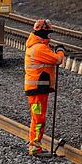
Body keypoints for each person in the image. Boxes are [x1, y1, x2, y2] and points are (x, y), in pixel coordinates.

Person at [24, 19, 66, 155]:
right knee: (38, 119)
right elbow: (57, 60)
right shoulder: (39, 48)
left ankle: (35, 144)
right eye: (48, 33)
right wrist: (60, 51)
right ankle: (35, 146)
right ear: (42, 32)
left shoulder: (36, 46)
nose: (49, 36)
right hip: (37, 88)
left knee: (38, 118)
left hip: (38, 88)